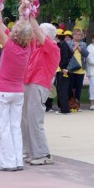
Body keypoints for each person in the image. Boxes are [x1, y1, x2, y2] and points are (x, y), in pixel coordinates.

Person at [0, 0, 33, 171]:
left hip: (1, 91)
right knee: (14, 127)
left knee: (4, 127)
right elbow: (23, 27)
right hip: (17, 91)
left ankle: (7, 162)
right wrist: (24, 10)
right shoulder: (27, 48)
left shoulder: (8, 45)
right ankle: (17, 160)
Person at [22, 20, 60, 166]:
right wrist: (23, 13)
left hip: (39, 85)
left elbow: (36, 31)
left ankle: (43, 154)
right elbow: (31, 31)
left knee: (35, 120)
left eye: (39, 33)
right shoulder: (36, 46)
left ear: (47, 36)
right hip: (30, 83)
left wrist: (31, 14)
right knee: (28, 119)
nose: (35, 35)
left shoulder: (52, 47)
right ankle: (33, 152)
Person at [67, 27, 89, 111]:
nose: (77, 36)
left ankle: (77, 104)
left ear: (82, 36)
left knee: (78, 88)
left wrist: (79, 48)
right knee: (70, 87)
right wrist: (74, 48)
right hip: (71, 68)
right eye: (75, 34)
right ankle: (70, 104)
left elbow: (86, 54)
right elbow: (67, 54)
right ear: (73, 35)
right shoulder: (68, 43)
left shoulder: (83, 44)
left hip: (80, 69)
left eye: (79, 34)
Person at [54, 29, 73, 115]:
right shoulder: (62, 44)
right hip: (62, 69)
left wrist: (63, 68)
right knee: (61, 89)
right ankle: (62, 107)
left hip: (63, 70)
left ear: (56, 36)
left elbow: (64, 58)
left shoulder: (62, 45)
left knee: (62, 90)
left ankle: (65, 109)